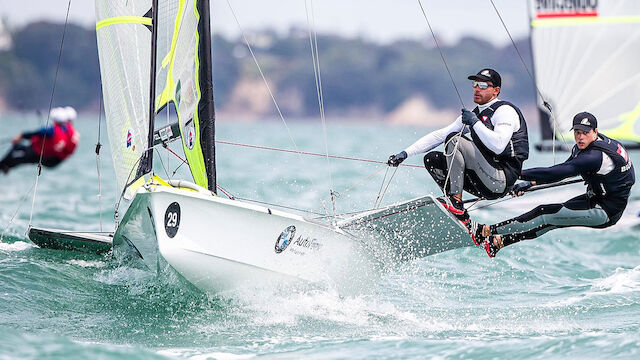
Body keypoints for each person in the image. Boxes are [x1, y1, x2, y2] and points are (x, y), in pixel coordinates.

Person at [472, 112, 635, 257]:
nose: (580, 137)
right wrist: (530, 183)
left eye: (585, 133)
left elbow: (557, 172)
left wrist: (516, 174)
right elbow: (563, 170)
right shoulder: (590, 146)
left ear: (595, 132)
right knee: (551, 220)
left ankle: (485, 232)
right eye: (577, 132)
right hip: (595, 199)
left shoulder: (595, 157)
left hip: (605, 211)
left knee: (543, 212)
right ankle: (497, 243)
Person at [387, 68, 529, 232]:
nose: (477, 88)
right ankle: (457, 211)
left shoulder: (504, 111)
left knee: (455, 140)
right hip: (484, 180)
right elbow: (440, 135)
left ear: (496, 91)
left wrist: (474, 123)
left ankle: (456, 201)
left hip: (501, 181)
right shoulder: (476, 114)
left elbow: (498, 145)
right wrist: (405, 154)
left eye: (483, 85)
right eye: (475, 84)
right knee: (432, 159)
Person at [0, 106, 80, 174]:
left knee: (17, 150)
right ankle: (6, 167)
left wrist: (21, 136)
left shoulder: (53, 130)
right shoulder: (68, 131)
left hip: (38, 154)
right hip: (51, 160)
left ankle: (4, 166)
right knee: (20, 158)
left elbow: (37, 133)